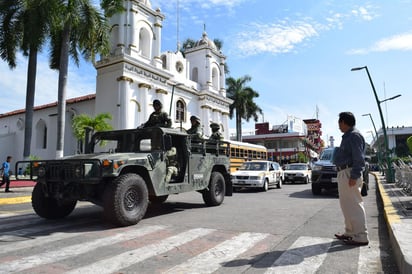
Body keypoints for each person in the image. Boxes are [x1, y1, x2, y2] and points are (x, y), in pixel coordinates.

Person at [333, 112, 368, 245]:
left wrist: (354, 175)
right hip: (345, 172)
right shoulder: (349, 136)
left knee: (354, 205)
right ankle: (350, 232)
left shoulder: (354, 136)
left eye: (339, 123)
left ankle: (361, 236)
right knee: (347, 205)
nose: (338, 126)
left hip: (349, 172)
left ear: (343, 122)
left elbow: (359, 159)